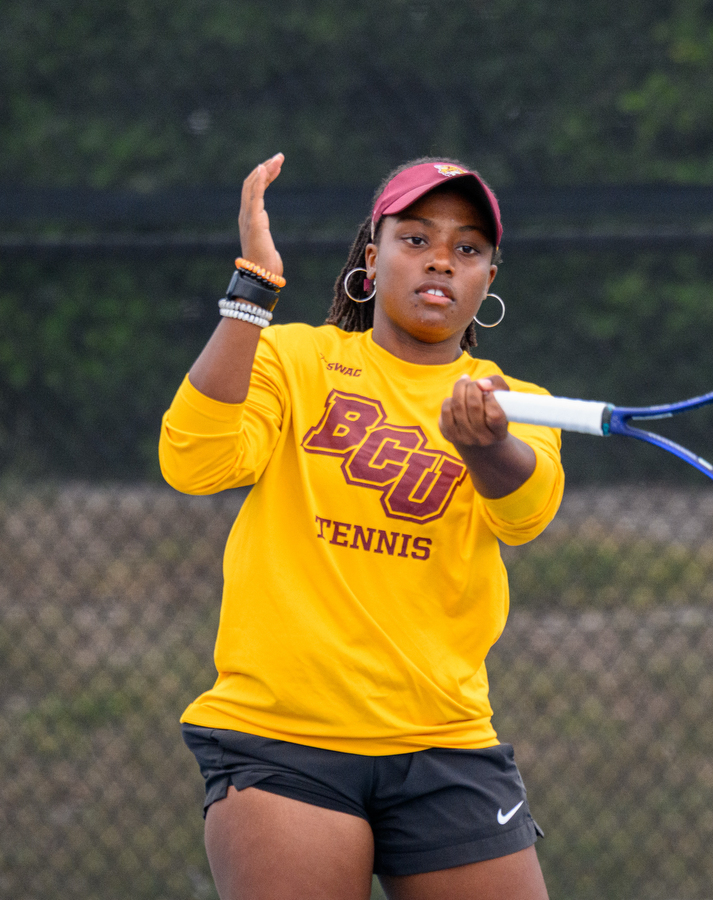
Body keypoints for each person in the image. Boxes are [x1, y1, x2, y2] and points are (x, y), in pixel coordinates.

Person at [159, 153, 563, 900]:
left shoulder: (517, 403)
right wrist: (253, 291)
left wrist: (488, 445)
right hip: (285, 743)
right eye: (416, 239)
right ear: (371, 263)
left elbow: (526, 511)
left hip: (447, 745)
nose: (441, 259)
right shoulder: (295, 357)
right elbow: (194, 461)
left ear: (488, 283)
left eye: (468, 248)